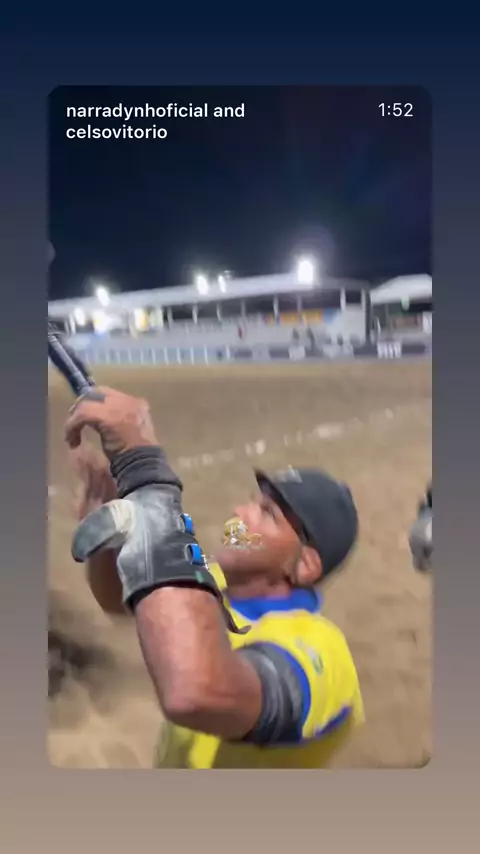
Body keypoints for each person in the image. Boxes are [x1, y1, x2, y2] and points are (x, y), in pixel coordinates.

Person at [66, 387, 364, 769]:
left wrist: (145, 472)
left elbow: (196, 694)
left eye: (267, 514)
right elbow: (120, 600)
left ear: (305, 564)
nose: (240, 512)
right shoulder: (215, 581)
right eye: (252, 501)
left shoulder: (323, 652)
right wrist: (108, 537)